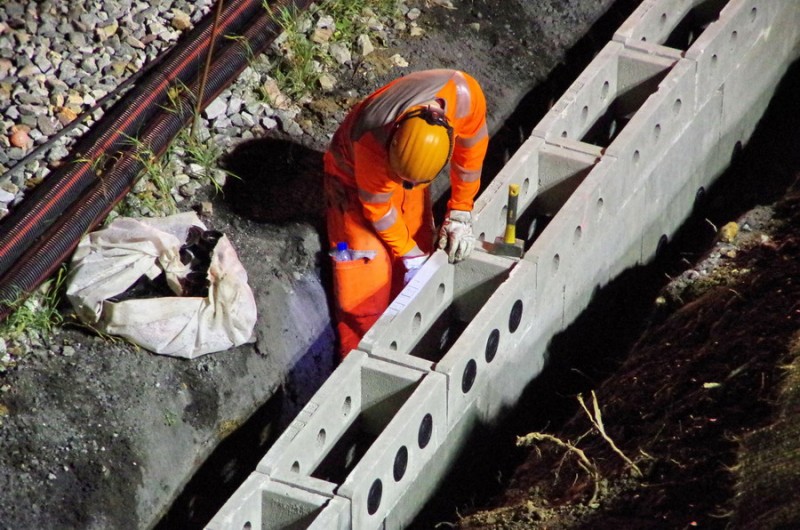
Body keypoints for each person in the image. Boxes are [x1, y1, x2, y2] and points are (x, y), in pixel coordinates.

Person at [324, 69, 489, 359]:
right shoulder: (372, 139)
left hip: (405, 171)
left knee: (420, 253)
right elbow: (378, 209)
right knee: (366, 292)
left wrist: (461, 210)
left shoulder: (465, 99)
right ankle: (357, 361)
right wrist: (409, 255)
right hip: (352, 183)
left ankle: (414, 346)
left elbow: (470, 157)